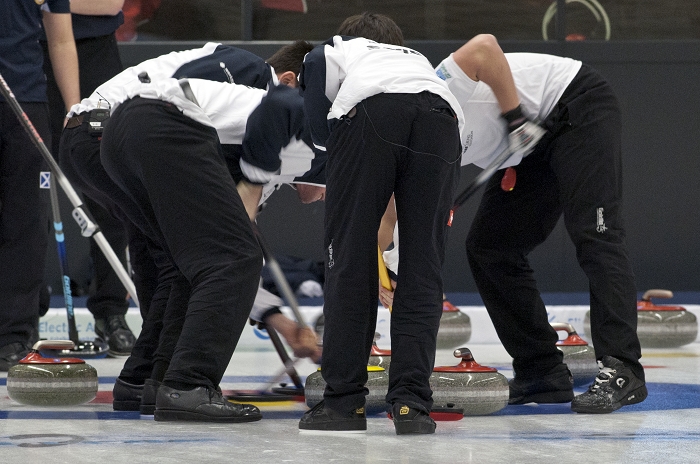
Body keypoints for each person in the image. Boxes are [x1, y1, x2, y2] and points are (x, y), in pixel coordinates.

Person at [434, 40, 647, 414]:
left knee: (596, 235)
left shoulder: (437, 90)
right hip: (528, 146)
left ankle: (622, 370)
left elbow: (484, 47)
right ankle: (541, 371)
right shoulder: (400, 147)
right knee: (490, 247)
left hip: (574, 103)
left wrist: (514, 117)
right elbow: (393, 211)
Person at [296, 13, 466, 435]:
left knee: (348, 262)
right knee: (423, 268)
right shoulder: (416, 60)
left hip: (372, 111)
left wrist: (326, 145)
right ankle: (411, 405)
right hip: (443, 119)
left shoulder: (340, 47)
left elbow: (315, 63)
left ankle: (343, 403)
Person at [40, 0, 137, 357]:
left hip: (95, 53)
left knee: (107, 186)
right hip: (26, 52)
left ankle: (111, 311)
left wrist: (49, 4)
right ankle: (22, 314)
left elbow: (108, 3)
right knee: (28, 195)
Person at [0, 0, 80, 371]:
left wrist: (76, 107)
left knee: (26, 221)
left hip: (25, 100)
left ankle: (14, 335)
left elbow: (60, 40)